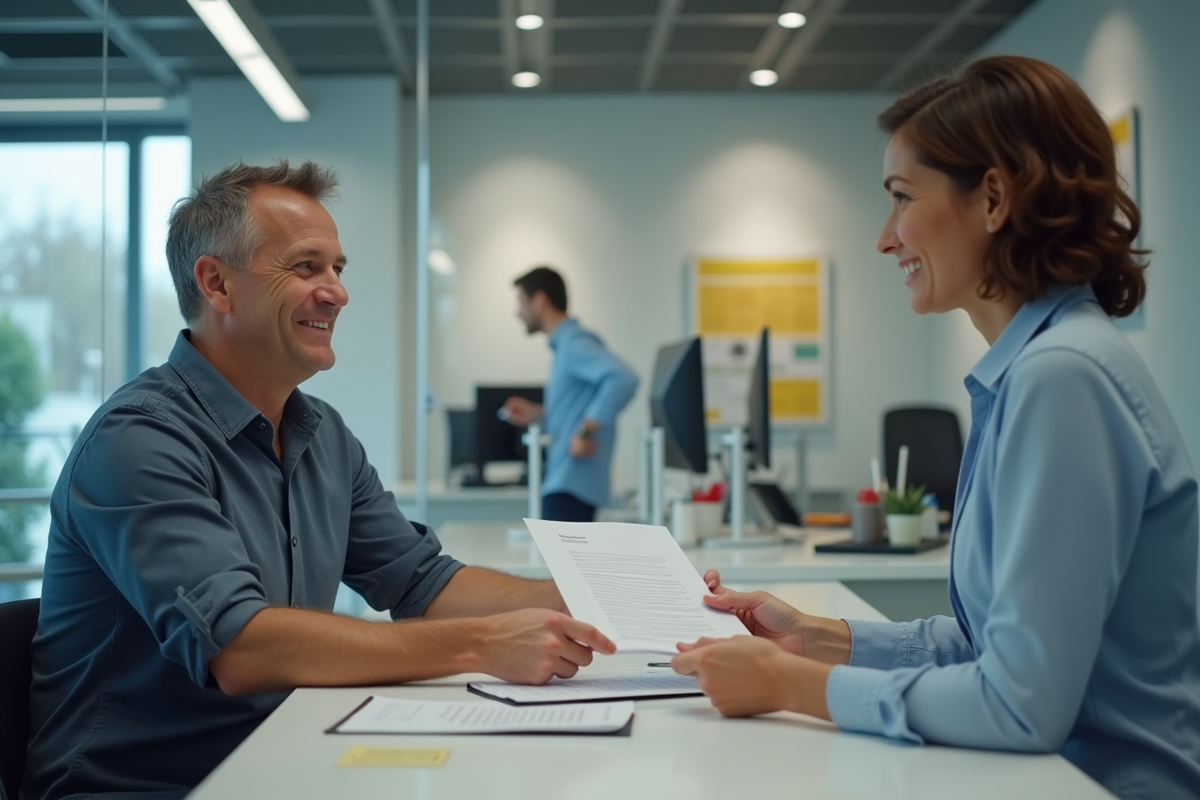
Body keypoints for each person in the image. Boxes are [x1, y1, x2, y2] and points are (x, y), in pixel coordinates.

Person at [671, 55, 1200, 800]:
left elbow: (1020, 706)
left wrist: (792, 686)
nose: (886, 239)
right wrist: (817, 638)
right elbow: (995, 644)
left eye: (900, 198)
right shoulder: (1036, 370)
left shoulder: (1063, 378)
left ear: (991, 198)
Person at [22, 162, 616, 800]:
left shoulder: (320, 434)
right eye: (306, 268)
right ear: (216, 283)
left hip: (278, 758)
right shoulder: (138, 439)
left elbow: (422, 581)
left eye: (337, 269)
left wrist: (593, 598)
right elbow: (243, 648)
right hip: (149, 786)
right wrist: (483, 644)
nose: (336, 291)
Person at [503, 266, 638, 523]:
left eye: (521, 302)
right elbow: (577, 407)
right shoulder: (565, 346)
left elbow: (624, 378)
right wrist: (538, 414)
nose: (517, 312)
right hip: (569, 485)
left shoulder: (574, 343)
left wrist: (585, 431)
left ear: (540, 300)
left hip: (570, 486)